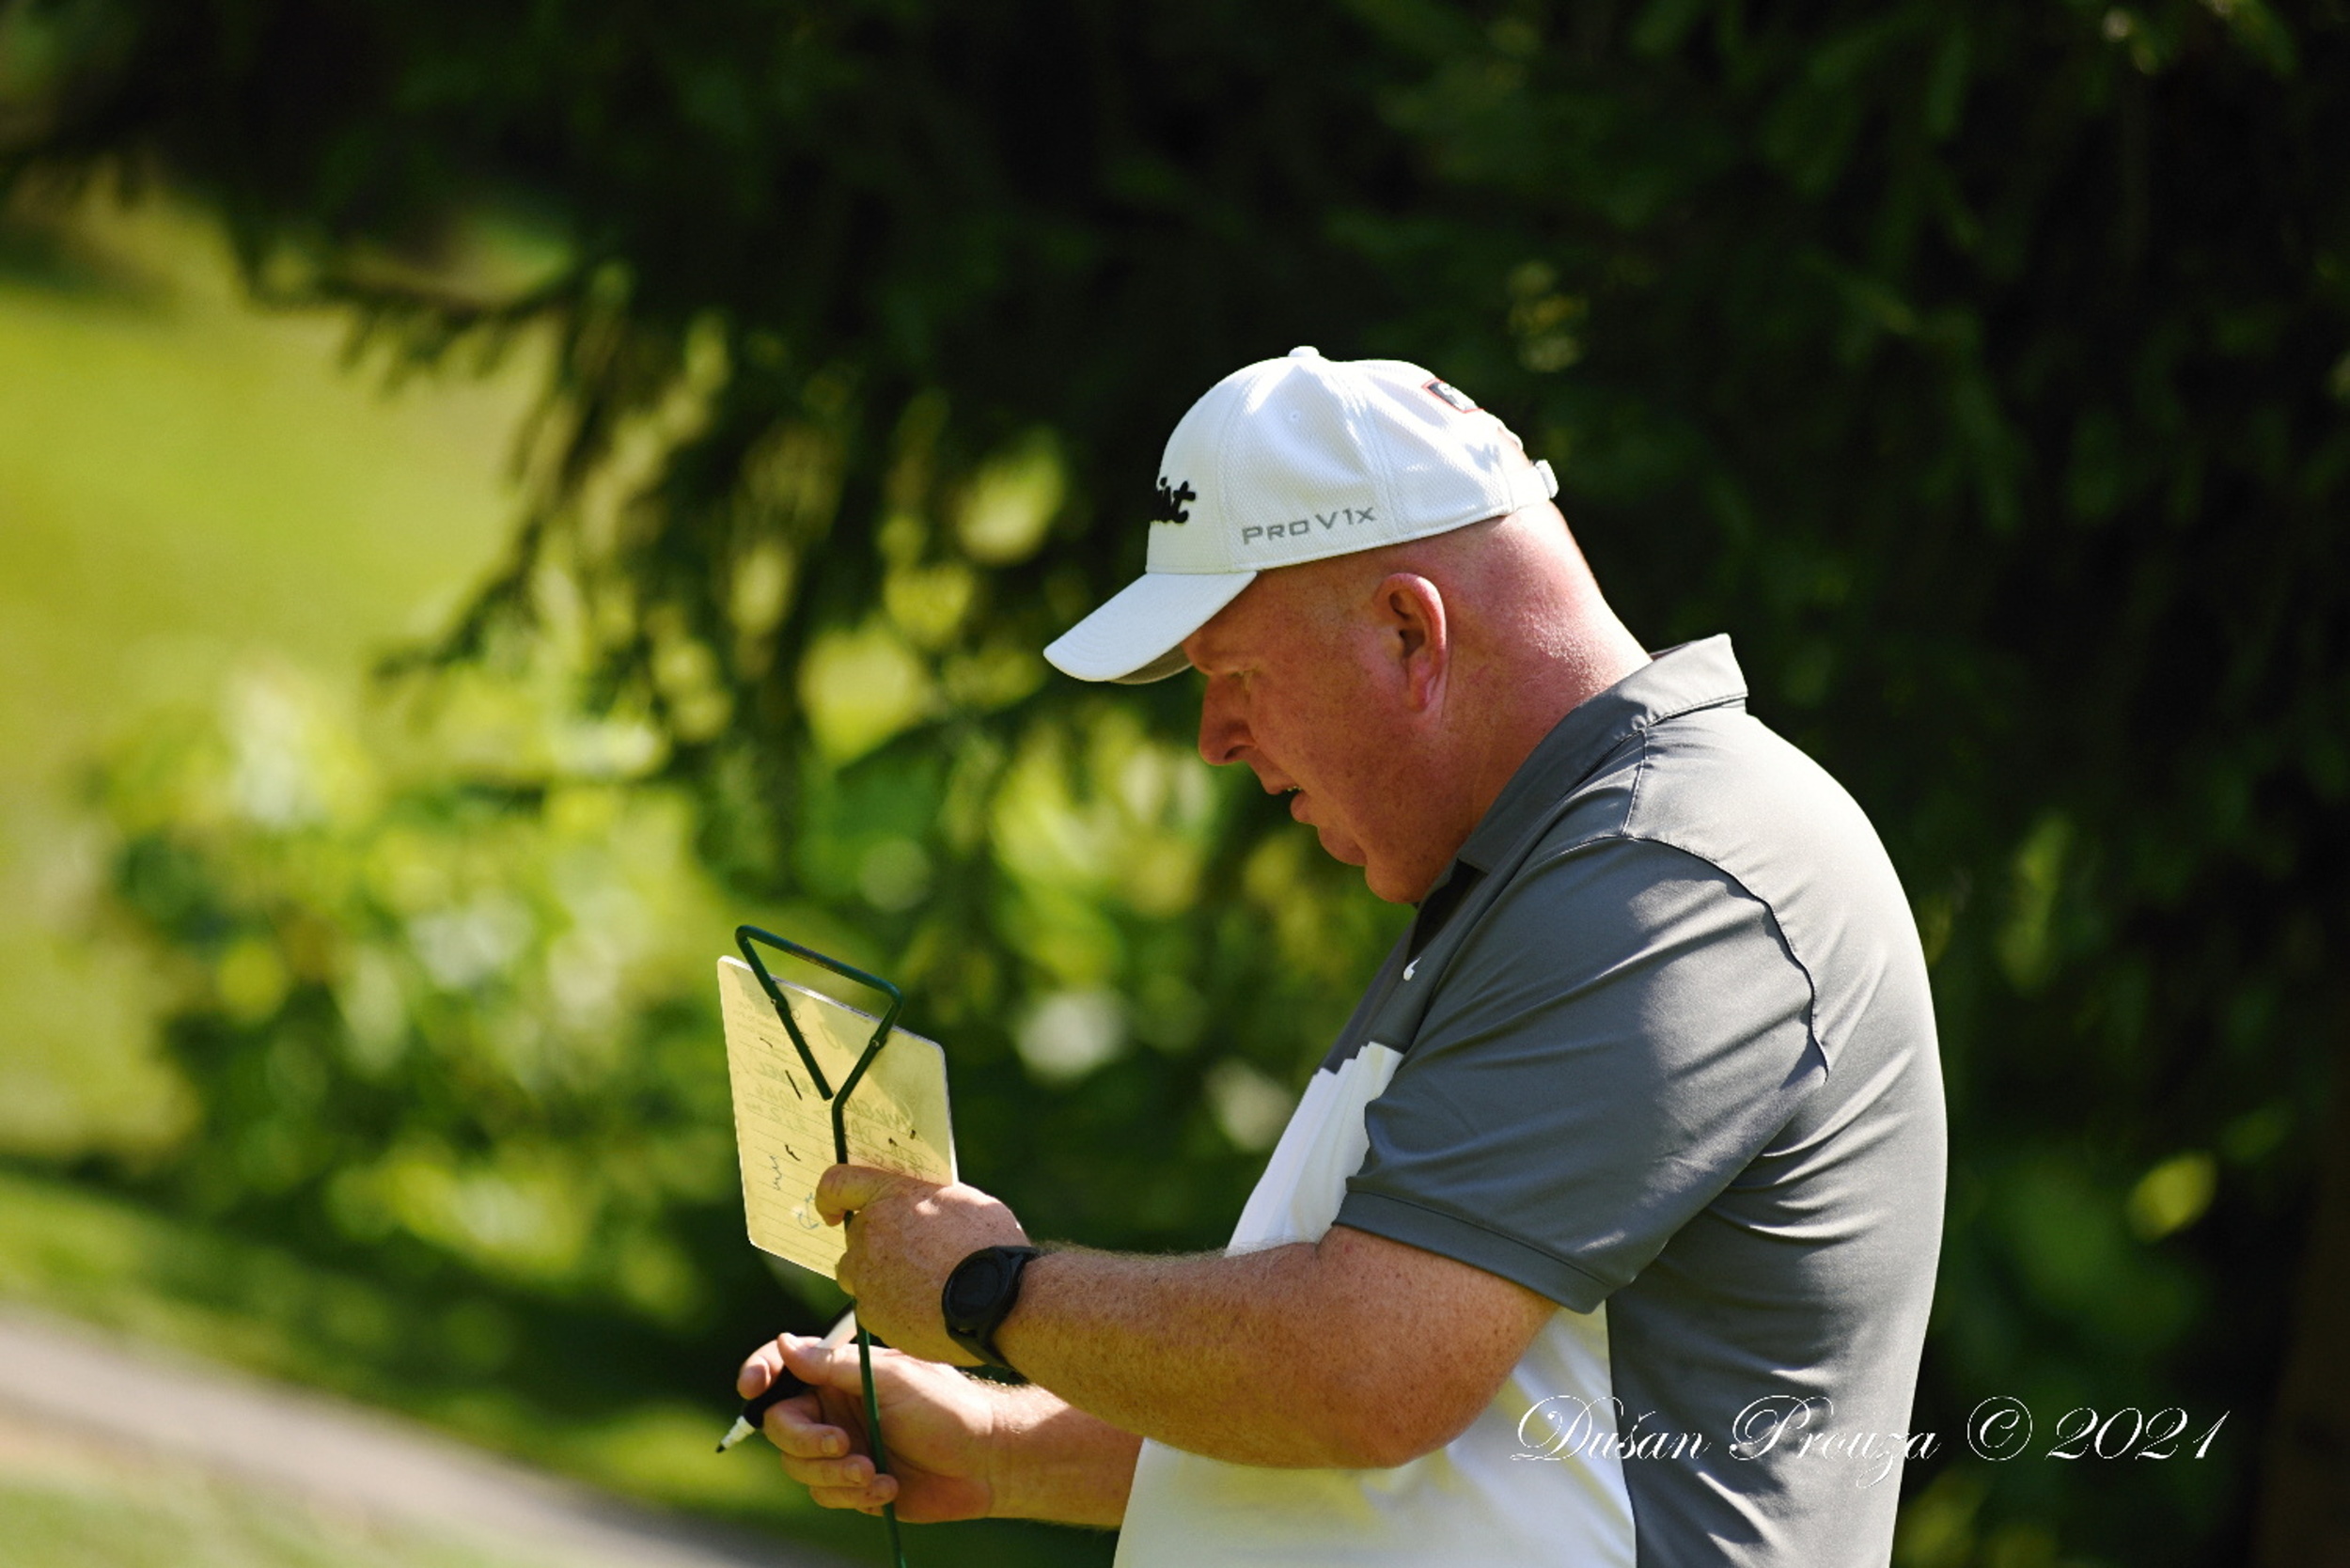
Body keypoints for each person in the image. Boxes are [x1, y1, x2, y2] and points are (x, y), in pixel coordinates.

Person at [736, 347, 1946, 1566]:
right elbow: (1438, 1425)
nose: (1214, 738)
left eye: (1236, 672)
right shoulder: (1543, 873)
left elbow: (1368, 1371)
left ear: (1410, 630)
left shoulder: (1664, 876)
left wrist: (989, 1290)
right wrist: (1003, 1447)